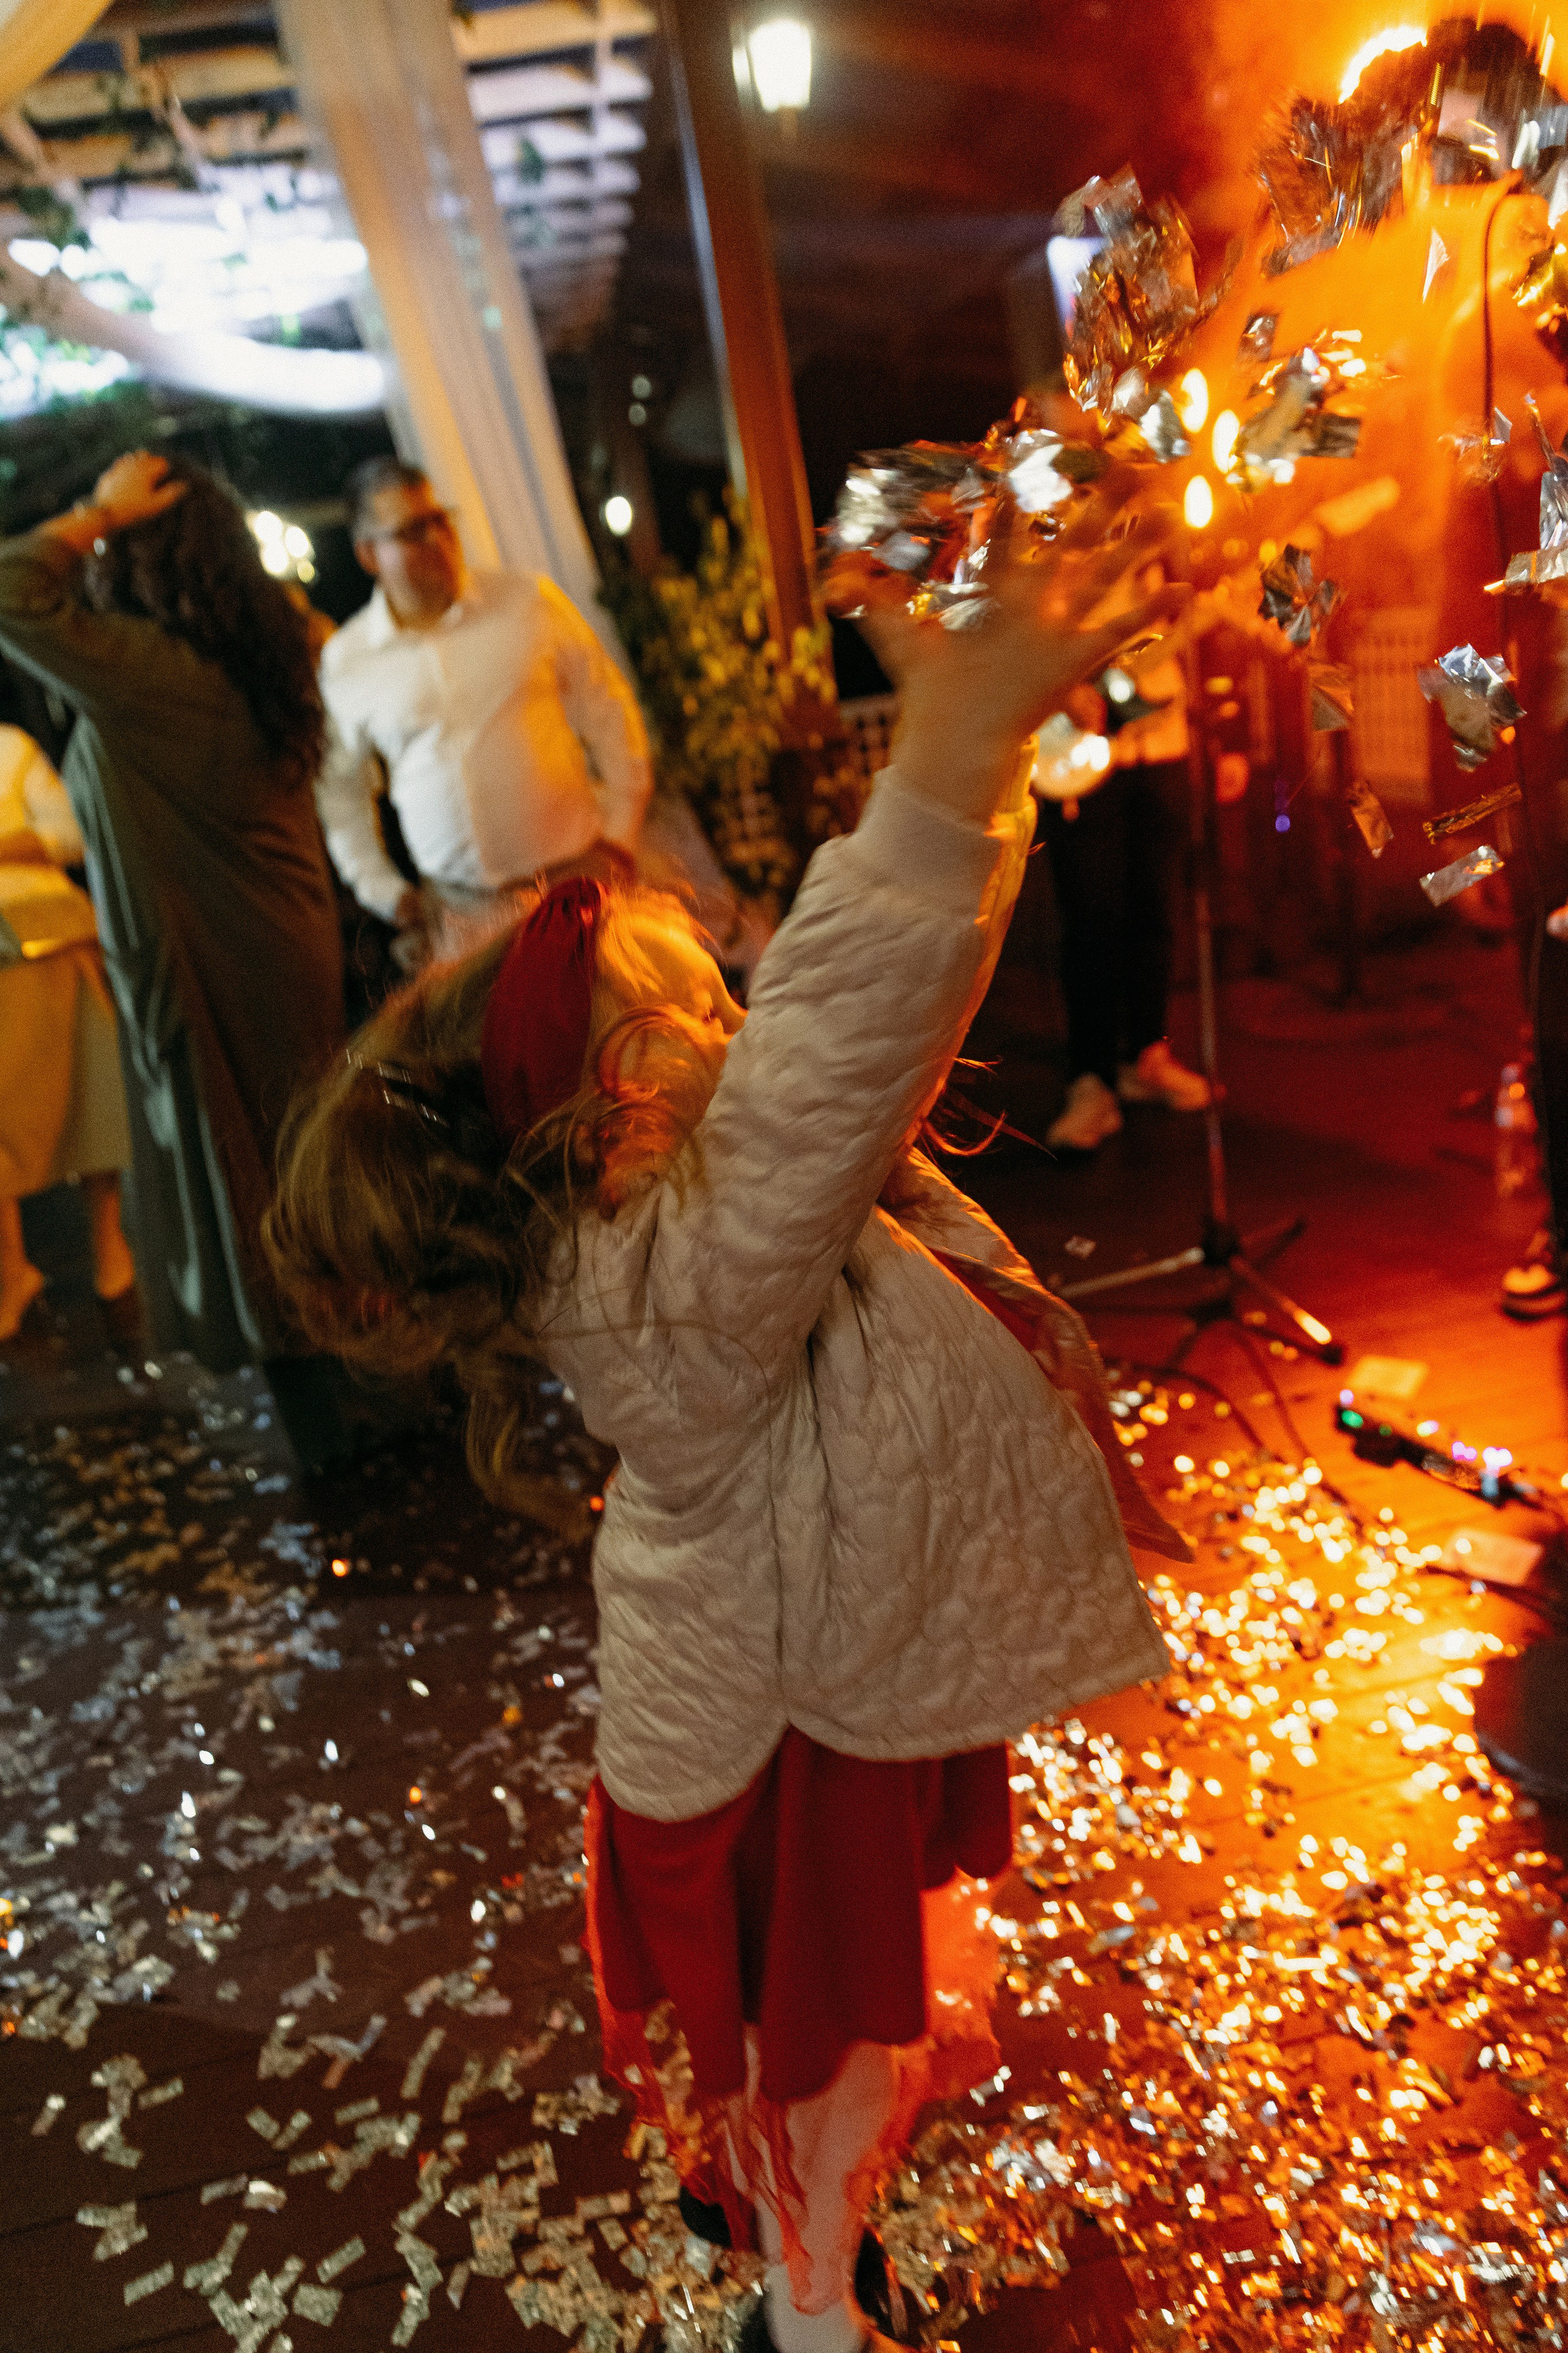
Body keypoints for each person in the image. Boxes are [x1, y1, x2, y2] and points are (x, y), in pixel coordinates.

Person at [266, 490, 1188, 2353]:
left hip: (796, 1682)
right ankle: (808, 2298)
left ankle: (790, 2225)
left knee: (814, 2040)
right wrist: (940, 758)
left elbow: (865, 1051)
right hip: (786, 1737)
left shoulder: (654, 1222)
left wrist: (972, 761)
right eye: (702, 988)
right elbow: (842, 1042)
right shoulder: (679, 1266)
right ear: (629, 1092)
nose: (738, 1000)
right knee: (828, 2041)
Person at [0, 451, 349, 1443]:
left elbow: (10, 591)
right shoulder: (238, 654)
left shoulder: (163, 678)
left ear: (136, 557)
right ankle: (349, 1419)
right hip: (268, 947)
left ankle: (343, 1438)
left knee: (267, 1191)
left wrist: (89, 514)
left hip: (230, 962)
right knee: (289, 1181)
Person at [315, 457, 654, 964]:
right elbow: (341, 793)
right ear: (368, 555)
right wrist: (384, 890)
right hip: (461, 911)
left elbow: (607, 708)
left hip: (579, 879)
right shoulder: (350, 661)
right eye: (411, 531)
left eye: (440, 520)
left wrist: (621, 834)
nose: (436, 540)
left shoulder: (526, 600)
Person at [1037, 599, 1211, 1152]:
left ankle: (1147, 1053)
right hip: (1078, 736)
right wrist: (1059, 682)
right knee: (1092, 919)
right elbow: (1008, 608)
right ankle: (1090, 1078)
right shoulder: (1044, 512)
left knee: (1156, 910)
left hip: (1161, 738)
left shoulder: (1164, 522)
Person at [0, 721, 136, 1339]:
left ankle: (110, 1244)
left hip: (48, 941)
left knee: (90, 1099)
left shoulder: (9, 749)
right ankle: (11, 1268)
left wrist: (9, 846)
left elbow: (72, 833)